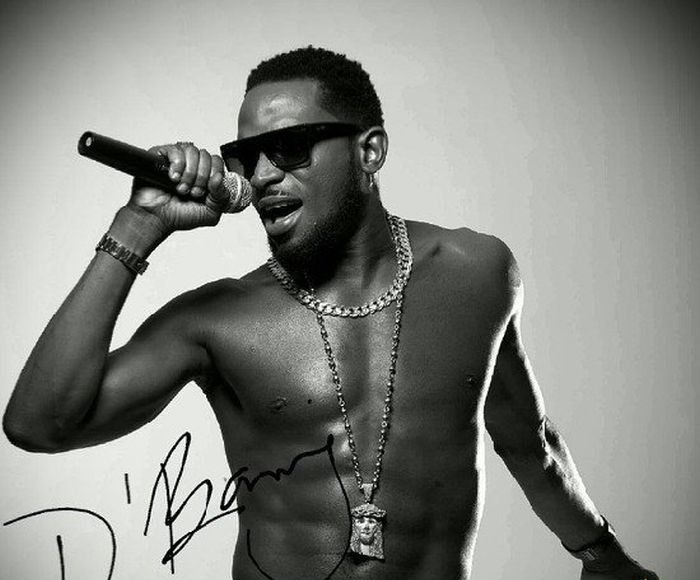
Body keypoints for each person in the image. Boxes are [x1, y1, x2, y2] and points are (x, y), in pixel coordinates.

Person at [4, 46, 658, 580]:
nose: (262, 176)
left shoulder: (476, 272)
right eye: (245, 157)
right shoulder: (218, 321)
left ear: (369, 152)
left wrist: (600, 554)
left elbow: (528, 439)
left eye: (290, 147)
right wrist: (139, 223)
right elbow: (38, 425)